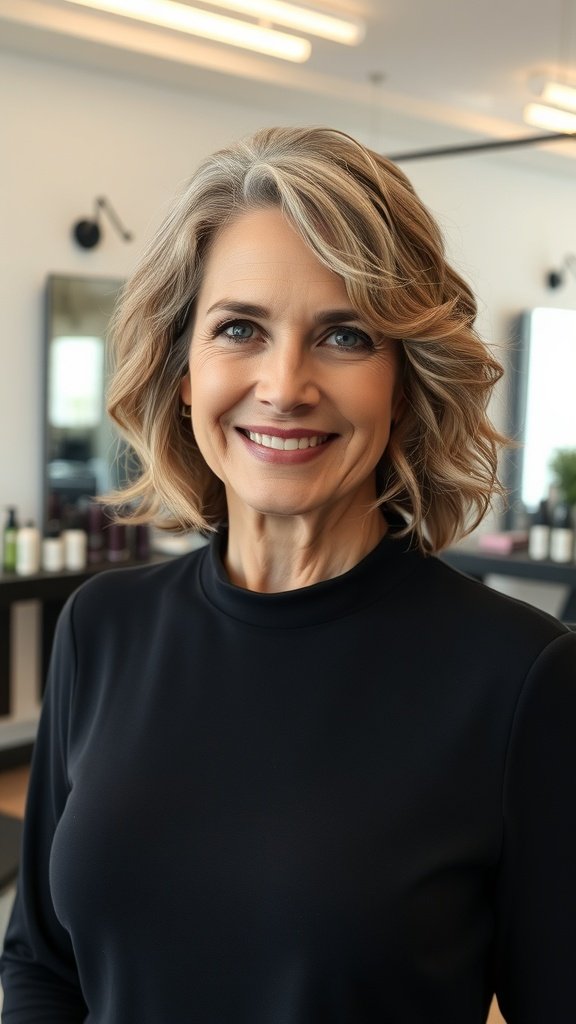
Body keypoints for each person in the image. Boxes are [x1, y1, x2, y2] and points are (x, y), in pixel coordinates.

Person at [1, 126, 575, 1023]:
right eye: (239, 329)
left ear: (404, 379)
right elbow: (41, 961)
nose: (285, 384)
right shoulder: (102, 626)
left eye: (344, 335)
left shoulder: (519, 679)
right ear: (184, 369)